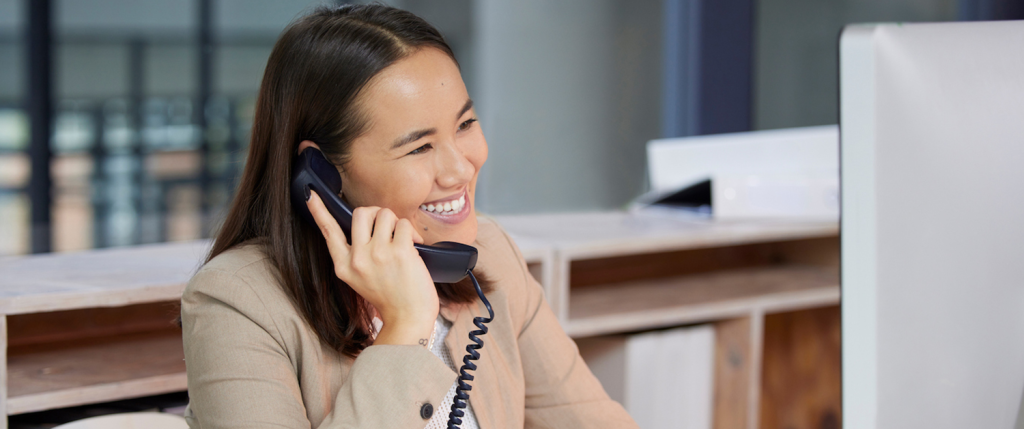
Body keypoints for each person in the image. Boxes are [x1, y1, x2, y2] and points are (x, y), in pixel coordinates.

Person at [180, 4, 638, 429]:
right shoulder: (238, 303)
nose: (460, 169)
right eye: (419, 147)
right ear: (322, 173)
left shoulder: (490, 255)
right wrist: (404, 326)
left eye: (465, 124)